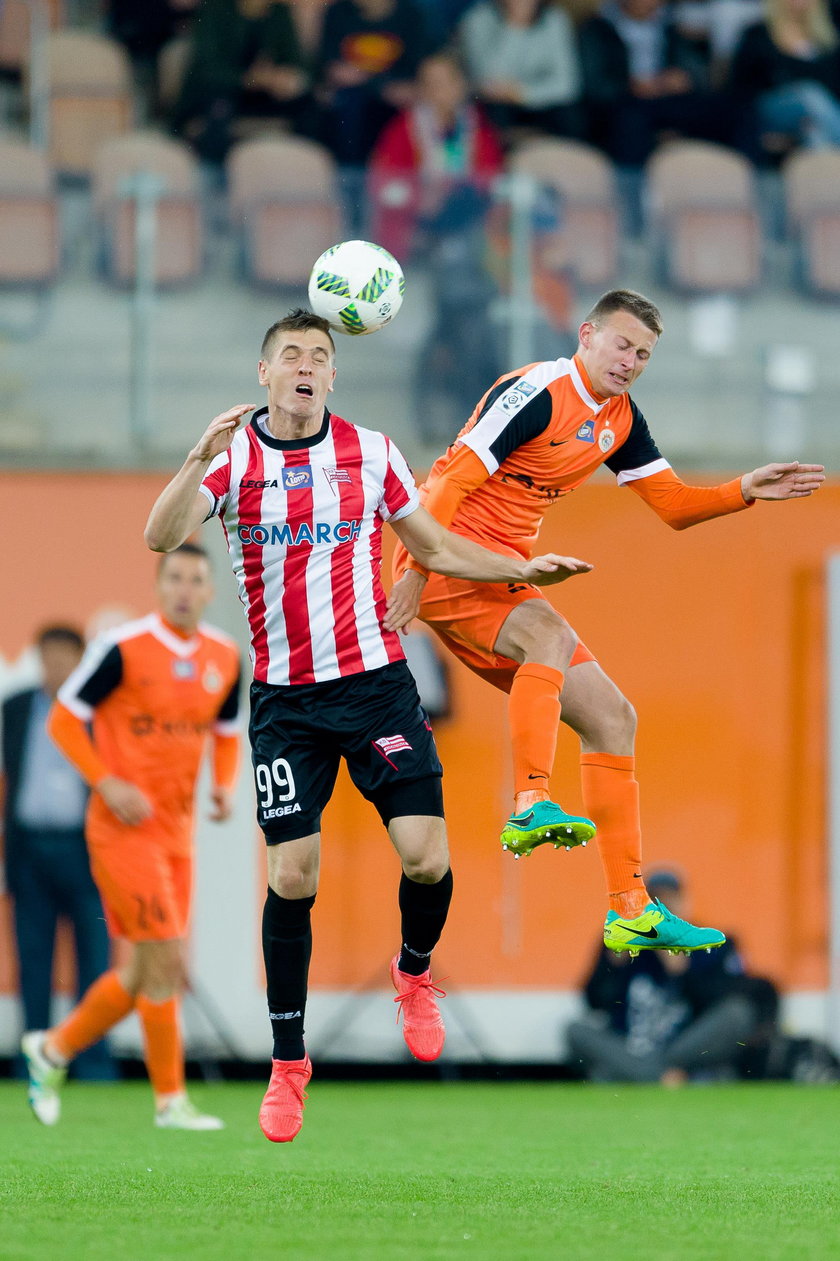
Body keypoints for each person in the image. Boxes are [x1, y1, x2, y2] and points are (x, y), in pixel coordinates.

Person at [143, 307, 593, 1143]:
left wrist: (520, 566)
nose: (306, 366)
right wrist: (196, 456)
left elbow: (437, 545)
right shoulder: (233, 458)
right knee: (293, 876)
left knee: (427, 856)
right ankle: (287, 1063)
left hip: (377, 683)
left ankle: (413, 974)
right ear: (265, 372)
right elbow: (160, 535)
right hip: (287, 703)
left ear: (333, 377)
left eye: (320, 355)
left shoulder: (373, 451)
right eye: (291, 354)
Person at [389, 287, 825, 959]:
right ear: (586, 335)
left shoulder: (619, 420)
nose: (631, 361)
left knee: (615, 718)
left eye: (644, 354)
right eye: (622, 344)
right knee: (550, 636)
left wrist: (744, 490)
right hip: (447, 552)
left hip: (501, 572)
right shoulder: (534, 391)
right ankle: (531, 801)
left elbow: (673, 505)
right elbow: (445, 487)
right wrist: (415, 575)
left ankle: (631, 908)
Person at [21, 544, 242, 1131]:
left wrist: (223, 786)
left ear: (210, 590)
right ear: (158, 584)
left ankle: (52, 1050)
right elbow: (63, 719)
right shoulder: (122, 649)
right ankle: (170, 1101)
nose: (185, 590)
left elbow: (225, 730)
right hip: (122, 832)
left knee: (147, 971)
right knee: (165, 956)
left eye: (196, 580)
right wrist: (106, 781)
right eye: (174, 578)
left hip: (178, 836)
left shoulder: (225, 656)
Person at [2, 626, 115, 1082]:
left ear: (81, 661)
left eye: (65, 659)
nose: (55, 668)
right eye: (47, 658)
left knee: (95, 959)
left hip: (87, 850)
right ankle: (34, 1058)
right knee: (32, 960)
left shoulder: (101, 712)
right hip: (29, 849)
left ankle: (91, 1062)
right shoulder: (15, 709)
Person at [566, 868, 780, 1083]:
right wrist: (612, 966)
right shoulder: (623, 945)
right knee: (575, 1031)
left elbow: (718, 1003)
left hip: (683, 1048)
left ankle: (645, 1075)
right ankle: (666, 1077)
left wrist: (682, 970)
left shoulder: (709, 944)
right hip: (634, 1047)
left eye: (669, 903)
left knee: (737, 1013)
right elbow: (594, 1002)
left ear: (684, 904)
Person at [578, 0, 741, 165]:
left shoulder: (669, 27)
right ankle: (632, 186)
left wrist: (685, 78)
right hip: (624, 102)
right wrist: (630, 86)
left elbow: (695, 72)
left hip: (668, 98)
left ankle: (740, 180)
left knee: (736, 111)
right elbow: (594, 85)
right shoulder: (598, 28)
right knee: (631, 121)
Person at [171, 0, 316, 164]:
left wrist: (288, 78)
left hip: (264, 95)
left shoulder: (279, 12)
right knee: (219, 108)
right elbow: (207, 69)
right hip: (221, 91)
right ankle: (214, 178)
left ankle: (303, 171)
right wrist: (250, 79)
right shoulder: (215, 10)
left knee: (309, 104)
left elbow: (297, 62)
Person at [458, 0, 585, 145]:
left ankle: (565, 160)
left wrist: (523, 93)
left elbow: (567, 83)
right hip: (497, 103)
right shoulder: (478, 19)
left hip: (537, 101)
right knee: (491, 110)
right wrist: (514, 25)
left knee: (571, 114)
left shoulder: (554, 19)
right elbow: (487, 80)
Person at [728, 0, 840, 159]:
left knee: (814, 130)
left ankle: (822, 180)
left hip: (818, 113)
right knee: (809, 94)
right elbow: (740, 87)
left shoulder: (829, 37)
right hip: (769, 109)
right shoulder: (758, 34)